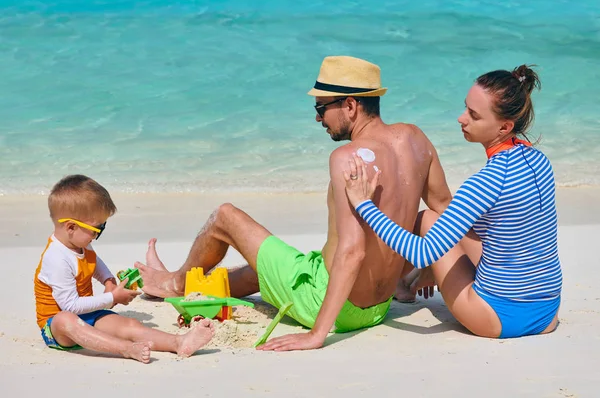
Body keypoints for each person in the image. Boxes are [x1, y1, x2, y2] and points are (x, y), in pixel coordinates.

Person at [136, 55, 452, 351]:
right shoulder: (416, 140)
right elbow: (445, 212)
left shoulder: (347, 158)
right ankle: (197, 288)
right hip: (378, 307)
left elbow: (352, 251)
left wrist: (317, 335)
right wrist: (423, 270)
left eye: (321, 107)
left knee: (225, 217)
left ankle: (176, 283)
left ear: (351, 105)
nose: (317, 118)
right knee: (261, 271)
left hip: (334, 306)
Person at [343, 65, 562, 339]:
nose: (461, 118)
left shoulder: (487, 181)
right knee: (441, 222)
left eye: (473, 115)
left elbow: (422, 253)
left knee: (425, 220)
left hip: (500, 317)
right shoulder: (539, 160)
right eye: (465, 108)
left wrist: (365, 205)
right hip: (549, 312)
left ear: (504, 126)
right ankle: (418, 279)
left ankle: (407, 281)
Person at [34, 175, 215, 363]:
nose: (98, 235)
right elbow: (69, 306)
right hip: (56, 328)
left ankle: (178, 342)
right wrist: (112, 298)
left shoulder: (80, 244)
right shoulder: (56, 258)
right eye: (98, 229)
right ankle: (126, 349)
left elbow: (94, 263)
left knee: (129, 325)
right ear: (71, 227)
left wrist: (108, 280)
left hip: (86, 315)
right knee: (66, 320)